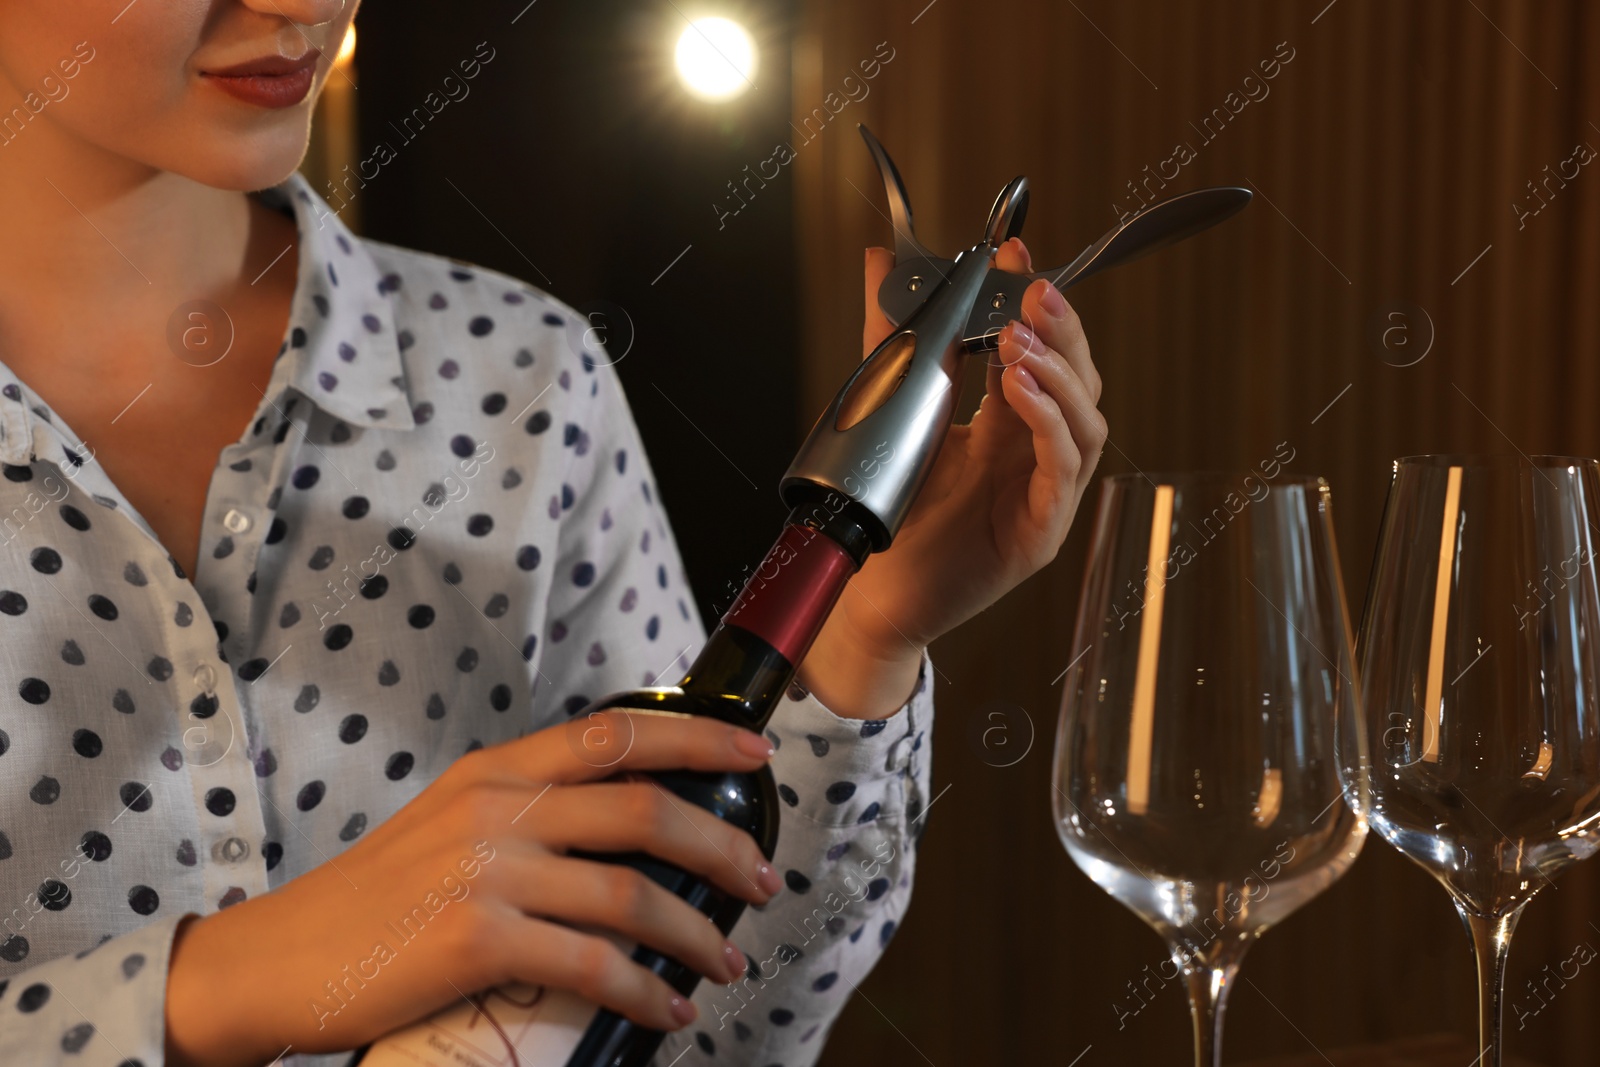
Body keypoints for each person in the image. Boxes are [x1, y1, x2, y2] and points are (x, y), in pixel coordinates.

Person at [0, 2, 1107, 1065]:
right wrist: (236, 978)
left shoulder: (519, 380)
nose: (300, 2)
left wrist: (862, 632)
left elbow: (695, 1038)